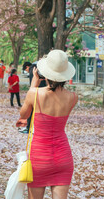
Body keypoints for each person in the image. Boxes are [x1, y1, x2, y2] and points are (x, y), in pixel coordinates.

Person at [16, 50, 78, 199]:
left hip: (39, 157)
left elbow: (23, 115)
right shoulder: (73, 97)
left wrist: (33, 86)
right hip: (63, 157)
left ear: (45, 73)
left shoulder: (35, 93)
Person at [19, 61, 46, 133]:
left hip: (37, 91)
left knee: (31, 110)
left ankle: (29, 127)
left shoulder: (32, 69)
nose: (27, 71)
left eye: (26, 70)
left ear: (27, 67)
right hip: (44, 91)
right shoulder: (39, 67)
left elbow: (33, 82)